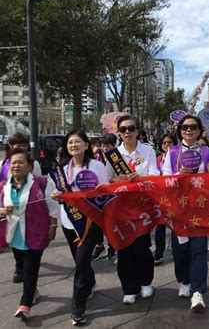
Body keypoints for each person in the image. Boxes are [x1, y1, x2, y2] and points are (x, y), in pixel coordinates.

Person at [0, 149, 60, 320]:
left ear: (29, 166)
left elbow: (52, 207)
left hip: (36, 234)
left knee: (30, 270)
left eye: (21, 162)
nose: (16, 165)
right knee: (21, 266)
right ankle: (33, 291)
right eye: (13, 162)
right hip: (14, 235)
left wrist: (53, 226)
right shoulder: (3, 186)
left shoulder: (41, 183)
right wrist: (1, 211)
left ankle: (25, 304)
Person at [51, 130, 108, 326]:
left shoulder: (97, 166)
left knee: (81, 263)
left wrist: (99, 191)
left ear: (86, 145)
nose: (73, 145)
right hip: (69, 222)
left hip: (90, 223)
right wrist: (57, 195)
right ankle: (90, 283)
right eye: (70, 142)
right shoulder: (62, 170)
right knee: (79, 260)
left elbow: (106, 191)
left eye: (77, 141)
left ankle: (78, 307)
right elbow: (58, 194)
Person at [163, 114, 209, 312]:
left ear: (200, 130)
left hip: (201, 208)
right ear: (180, 130)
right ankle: (183, 280)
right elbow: (164, 177)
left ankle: (198, 291)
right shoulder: (173, 152)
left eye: (193, 126)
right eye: (185, 127)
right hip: (179, 209)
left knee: (199, 248)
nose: (189, 130)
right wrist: (179, 176)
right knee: (180, 250)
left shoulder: (206, 152)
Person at [106, 115, 159, 305]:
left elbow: (155, 175)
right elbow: (107, 180)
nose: (127, 132)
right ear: (119, 133)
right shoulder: (113, 155)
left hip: (142, 208)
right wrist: (117, 180)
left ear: (137, 131)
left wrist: (139, 178)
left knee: (141, 247)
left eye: (131, 128)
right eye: (123, 129)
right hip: (120, 209)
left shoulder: (148, 151)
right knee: (124, 248)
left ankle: (146, 282)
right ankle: (129, 288)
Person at [0, 132, 42, 284]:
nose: (20, 147)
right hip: (6, 206)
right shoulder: (4, 164)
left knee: (26, 237)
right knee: (12, 237)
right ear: (11, 146)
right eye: (17, 145)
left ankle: (26, 266)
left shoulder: (33, 164)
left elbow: (39, 185)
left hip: (27, 208)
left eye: (23, 145)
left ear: (27, 147)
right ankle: (19, 266)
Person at [91, 133, 118, 261]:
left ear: (114, 145)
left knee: (112, 223)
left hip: (114, 195)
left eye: (107, 145)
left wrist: (111, 180)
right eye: (102, 145)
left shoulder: (117, 158)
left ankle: (112, 247)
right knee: (97, 222)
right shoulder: (97, 158)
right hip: (99, 196)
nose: (104, 148)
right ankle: (99, 245)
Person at [153, 133, 178, 265]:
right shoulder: (156, 158)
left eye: (170, 142)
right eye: (165, 143)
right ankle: (159, 253)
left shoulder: (178, 157)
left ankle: (176, 251)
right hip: (159, 196)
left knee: (175, 225)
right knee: (160, 226)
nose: (167, 145)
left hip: (174, 196)